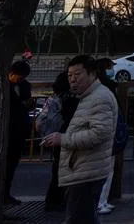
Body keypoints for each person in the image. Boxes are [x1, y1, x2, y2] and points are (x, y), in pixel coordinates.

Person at [42, 55, 118, 224]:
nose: (73, 79)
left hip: (86, 171)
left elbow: (99, 133)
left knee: (78, 218)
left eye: (78, 74)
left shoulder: (99, 97)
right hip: (82, 169)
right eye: (70, 75)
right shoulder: (86, 96)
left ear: (92, 73)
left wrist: (63, 139)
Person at [36, 72, 78, 213]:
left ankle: (53, 200)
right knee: (63, 171)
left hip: (54, 135)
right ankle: (57, 201)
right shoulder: (69, 99)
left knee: (57, 169)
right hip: (63, 136)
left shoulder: (54, 98)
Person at [5, 60, 32, 206]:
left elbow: (27, 101)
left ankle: (6, 193)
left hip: (19, 128)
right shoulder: (3, 86)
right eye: (19, 77)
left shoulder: (25, 86)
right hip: (8, 127)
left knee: (12, 164)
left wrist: (28, 104)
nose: (20, 80)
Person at [94, 58, 118, 215]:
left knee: (105, 168)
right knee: (105, 169)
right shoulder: (106, 87)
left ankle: (102, 201)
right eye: (110, 67)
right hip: (107, 130)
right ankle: (99, 202)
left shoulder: (98, 84)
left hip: (106, 130)